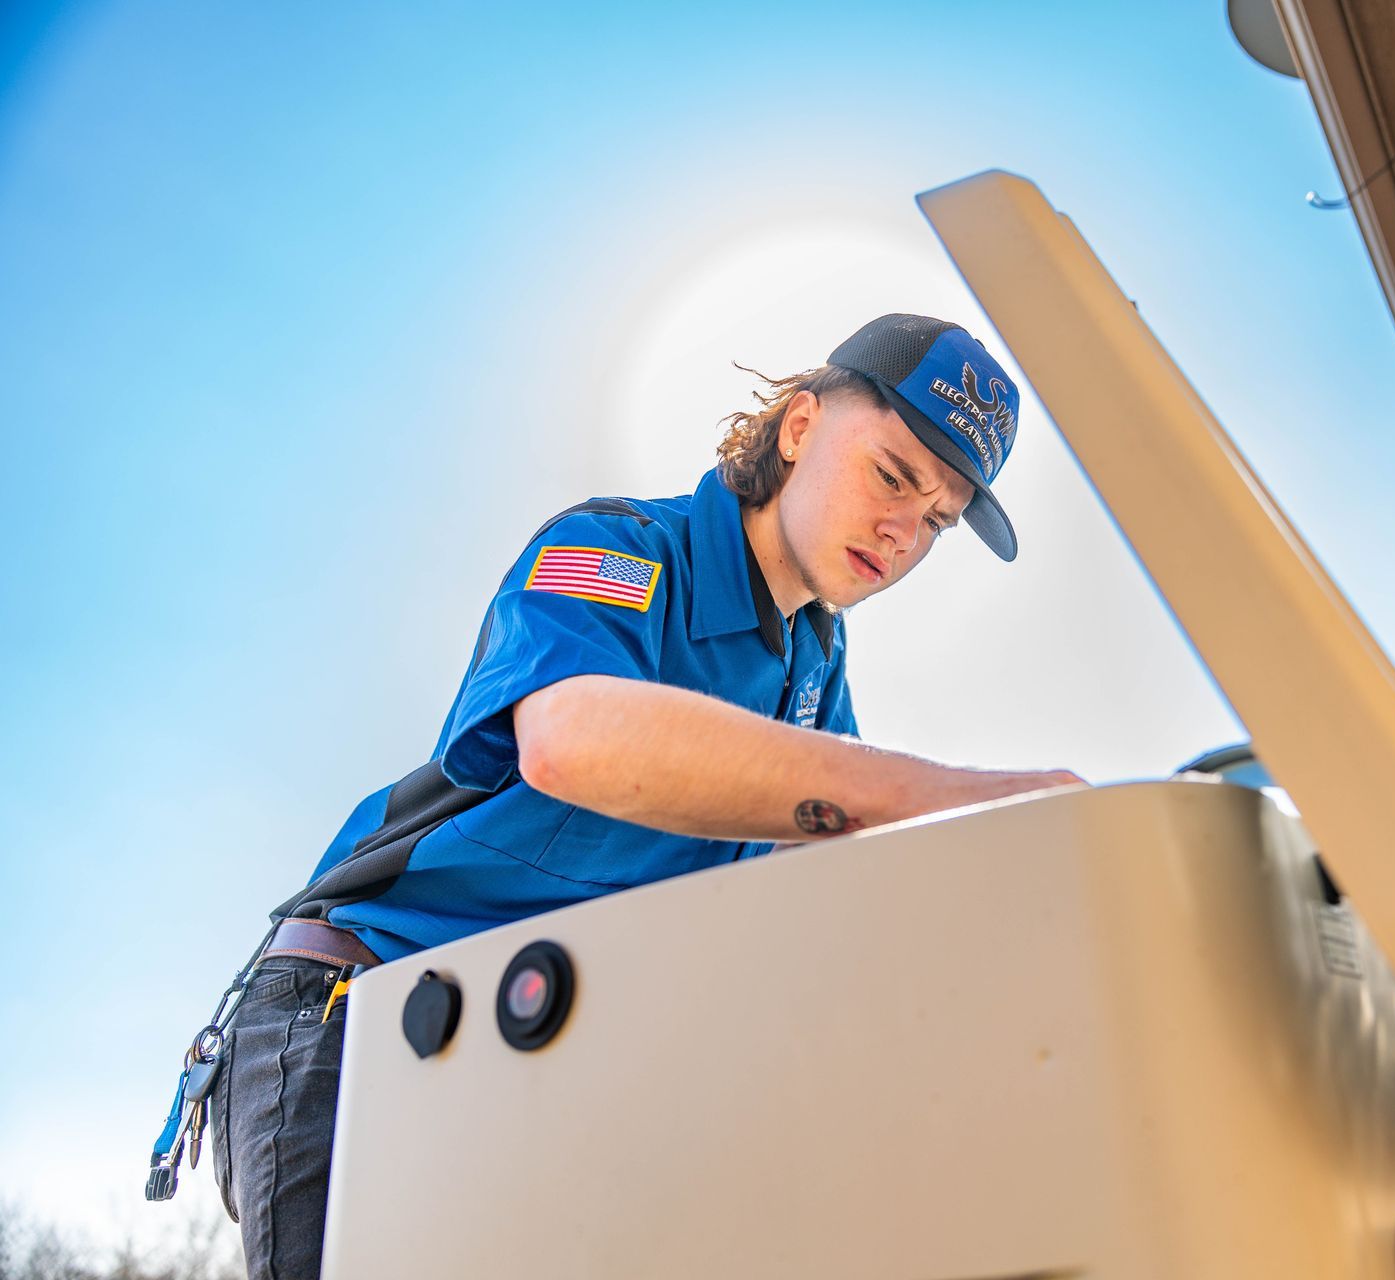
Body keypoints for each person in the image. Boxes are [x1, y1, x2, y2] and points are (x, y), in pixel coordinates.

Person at [205, 313, 1082, 1279]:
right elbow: (570, 740)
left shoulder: (816, 671)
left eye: (940, 519)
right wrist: (944, 796)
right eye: (892, 475)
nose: (905, 532)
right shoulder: (624, 549)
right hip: (359, 1013)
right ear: (800, 428)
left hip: (549, 1056)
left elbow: (840, 891)